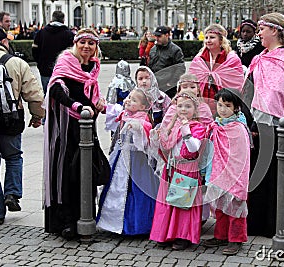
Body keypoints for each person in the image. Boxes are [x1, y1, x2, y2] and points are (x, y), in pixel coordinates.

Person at [43, 28, 105, 239]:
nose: (86, 46)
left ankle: (86, 217)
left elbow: (91, 94)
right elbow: (55, 89)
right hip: (66, 128)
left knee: (85, 173)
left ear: (96, 47)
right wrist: (76, 106)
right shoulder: (66, 61)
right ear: (75, 44)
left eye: (91, 43)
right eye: (82, 42)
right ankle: (66, 221)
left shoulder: (93, 67)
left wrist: (97, 105)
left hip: (87, 127)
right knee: (67, 174)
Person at [246, 13, 284, 237]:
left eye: (262, 30)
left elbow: (276, 92)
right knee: (257, 172)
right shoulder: (261, 57)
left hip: (277, 125)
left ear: (275, 31)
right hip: (258, 122)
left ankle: (274, 223)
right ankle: (256, 220)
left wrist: (262, 118)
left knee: (276, 174)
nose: (259, 34)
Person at [0, 26, 45, 225]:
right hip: (12, 118)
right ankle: (13, 193)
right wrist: (37, 116)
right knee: (13, 156)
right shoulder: (16, 62)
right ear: (4, 42)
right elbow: (34, 94)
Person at [97, 89, 159, 235]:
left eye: (134, 100)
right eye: (129, 97)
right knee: (115, 185)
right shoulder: (124, 114)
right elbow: (112, 111)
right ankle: (112, 222)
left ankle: (137, 225)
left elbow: (146, 131)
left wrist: (136, 127)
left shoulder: (142, 118)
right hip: (120, 156)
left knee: (136, 189)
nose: (129, 100)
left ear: (143, 107)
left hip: (137, 161)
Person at [149, 90, 205, 250]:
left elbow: (193, 148)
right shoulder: (172, 125)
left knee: (183, 204)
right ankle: (165, 233)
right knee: (167, 202)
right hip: (171, 168)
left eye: (188, 106)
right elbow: (165, 146)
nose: (183, 109)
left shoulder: (198, 127)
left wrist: (186, 128)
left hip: (187, 168)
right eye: (180, 106)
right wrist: (156, 136)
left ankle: (183, 236)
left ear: (195, 109)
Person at [201, 88, 250, 256]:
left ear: (236, 107)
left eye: (227, 105)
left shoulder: (238, 128)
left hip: (234, 173)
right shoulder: (217, 125)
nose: (222, 109)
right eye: (219, 105)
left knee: (235, 205)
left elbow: (241, 156)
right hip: (219, 171)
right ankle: (220, 235)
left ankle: (236, 239)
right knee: (221, 205)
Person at [189, 24, 244, 114]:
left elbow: (237, 83)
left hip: (224, 105)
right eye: (206, 37)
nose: (208, 40)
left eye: (212, 37)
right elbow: (191, 81)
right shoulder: (199, 59)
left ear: (221, 40)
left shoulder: (231, 59)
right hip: (203, 104)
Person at [32, 11, 74, 95]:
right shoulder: (69, 34)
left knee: (47, 93)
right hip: (63, 70)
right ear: (63, 20)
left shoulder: (41, 33)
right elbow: (73, 54)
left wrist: (39, 63)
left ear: (52, 19)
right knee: (64, 95)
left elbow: (34, 50)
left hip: (45, 68)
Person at [148, 26, 185, 98]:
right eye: (156, 36)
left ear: (167, 35)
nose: (157, 38)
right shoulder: (153, 49)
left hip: (168, 88)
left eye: (159, 36)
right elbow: (150, 65)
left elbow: (180, 68)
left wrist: (171, 83)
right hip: (154, 85)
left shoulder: (175, 50)